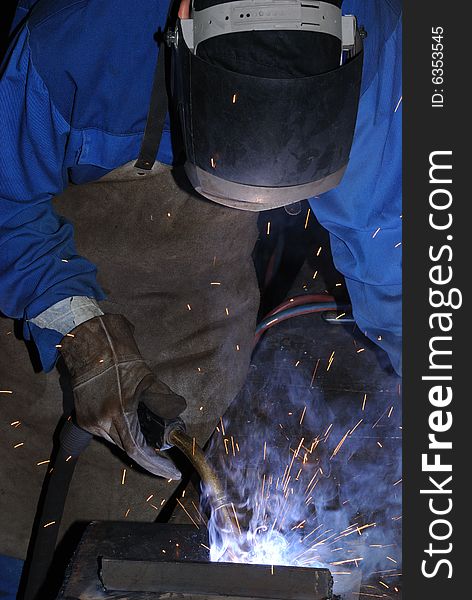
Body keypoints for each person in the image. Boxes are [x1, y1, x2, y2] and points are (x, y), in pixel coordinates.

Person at [0, 0, 402, 570]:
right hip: (40, 289)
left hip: (203, 316)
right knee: (24, 532)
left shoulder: (381, 46)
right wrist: (76, 326)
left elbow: (407, 257)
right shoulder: (78, 42)